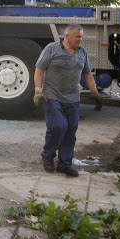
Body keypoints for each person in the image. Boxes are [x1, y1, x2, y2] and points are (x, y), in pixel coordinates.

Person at [34, 24, 103, 177]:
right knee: (58, 125)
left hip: (72, 97)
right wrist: (38, 90)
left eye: (82, 37)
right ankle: (48, 156)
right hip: (52, 95)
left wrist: (95, 93)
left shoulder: (82, 52)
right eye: (78, 37)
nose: (81, 40)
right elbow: (39, 69)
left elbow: (87, 74)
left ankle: (64, 164)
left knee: (71, 130)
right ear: (67, 36)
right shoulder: (52, 49)